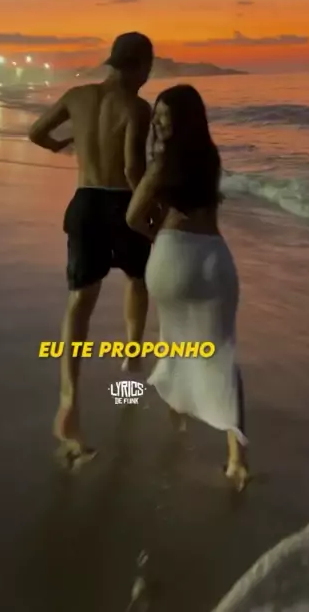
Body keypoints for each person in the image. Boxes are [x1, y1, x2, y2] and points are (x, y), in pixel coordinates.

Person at [28, 32, 154, 466]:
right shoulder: (137, 107)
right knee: (138, 280)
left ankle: (68, 401)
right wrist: (150, 213)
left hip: (84, 203)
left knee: (80, 301)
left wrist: (62, 145)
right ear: (140, 65)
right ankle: (130, 366)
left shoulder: (77, 96)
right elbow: (133, 169)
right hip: (121, 203)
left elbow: (36, 132)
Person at [126, 85, 249, 491]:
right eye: (157, 116)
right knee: (222, 353)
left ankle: (176, 419)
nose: (159, 123)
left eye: (164, 116)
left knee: (174, 341)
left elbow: (132, 217)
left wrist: (159, 236)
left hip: (172, 257)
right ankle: (236, 461)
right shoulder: (211, 159)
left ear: (181, 120)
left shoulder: (162, 164)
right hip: (213, 259)